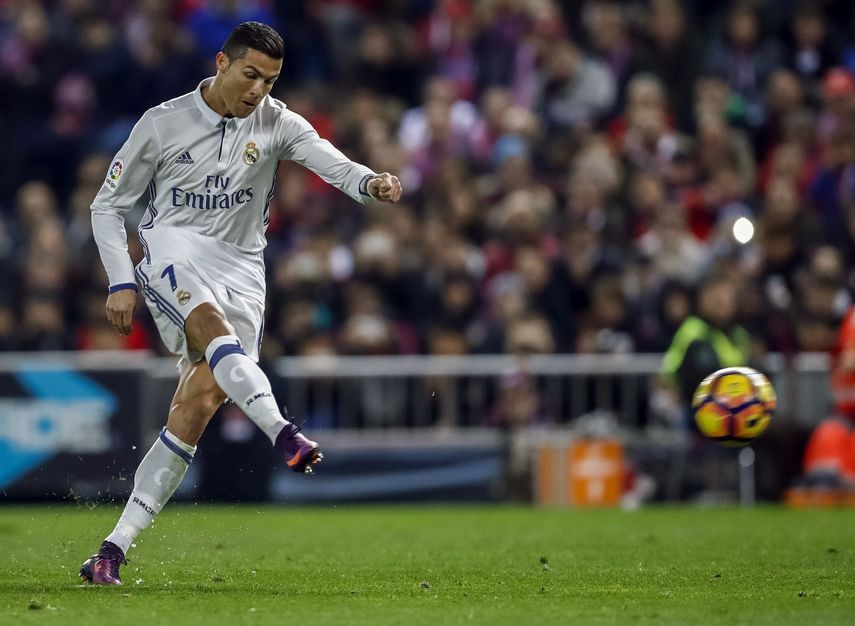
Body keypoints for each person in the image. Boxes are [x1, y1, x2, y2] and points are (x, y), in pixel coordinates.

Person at [79, 22, 402, 585]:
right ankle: (284, 433)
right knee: (208, 324)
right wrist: (119, 279)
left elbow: (331, 162)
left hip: (243, 267)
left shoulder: (277, 122)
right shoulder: (162, 123)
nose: (259, 90)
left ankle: (111, 549)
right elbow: (107, 206)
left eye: (271, 81)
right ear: (223, 63)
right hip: (171, 248)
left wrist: (371, 182)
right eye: (251, 74)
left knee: (199, 400)